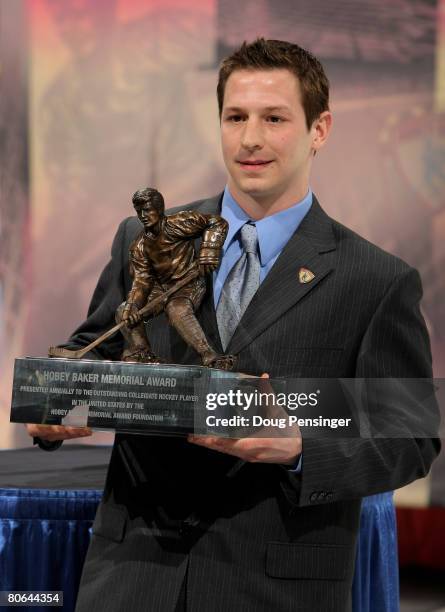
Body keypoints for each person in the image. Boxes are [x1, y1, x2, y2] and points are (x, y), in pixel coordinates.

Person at [27, 39, 440, 611]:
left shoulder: (376, 279)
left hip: (274, 589)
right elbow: (94, 350)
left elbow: (410, 438)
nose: (250, 139)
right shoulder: (143, 237)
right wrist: (57, 409)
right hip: (131, 580)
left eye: (274, 118)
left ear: (319, 129)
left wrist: (302, 447)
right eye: (235, 117)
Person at [117, 186, 233, 370]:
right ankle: (143, 353)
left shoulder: (180, 222)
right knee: (124, 311)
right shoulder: (139, 245)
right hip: (161, 288)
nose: (143, 215)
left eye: (147, 210)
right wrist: (134, 305)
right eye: (139, 211)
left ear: (159, 209)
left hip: (188, 282)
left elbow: (216, 222)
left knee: (176, 309)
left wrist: (209, 250)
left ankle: (209, 356)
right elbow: (142, 280)